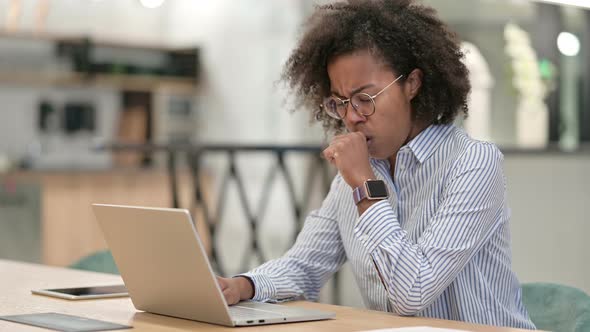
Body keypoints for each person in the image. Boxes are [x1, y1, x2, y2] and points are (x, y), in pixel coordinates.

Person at [217, 0, 535, 329]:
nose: (351, 117)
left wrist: (365, 187)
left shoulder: (473, 163)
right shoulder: (357, 174)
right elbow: (304, 266)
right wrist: (242, 286)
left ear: (412, 84)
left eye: (364, 99)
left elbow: (412, 292)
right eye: (340, 102)